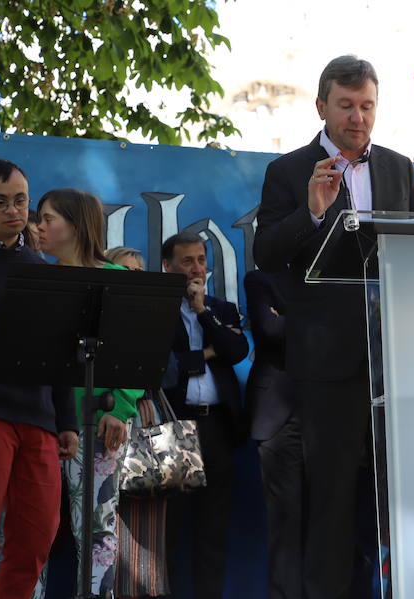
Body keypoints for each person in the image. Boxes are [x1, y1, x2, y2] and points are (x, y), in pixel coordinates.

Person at [253, 54, 414, 598]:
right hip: (327, 367)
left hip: (392, 366)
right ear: (321, 105)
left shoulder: (399, 168)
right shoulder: (288, 171)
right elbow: (265, 253)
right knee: (330, 508)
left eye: (367, 106)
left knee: (391, 508)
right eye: (346, 106)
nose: (358, 117)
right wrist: (311, 213)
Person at [0, 159, 78, 599]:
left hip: (39, 417)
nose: (13, 210)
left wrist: (65, 419)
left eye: (21, 200)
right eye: (0, 201)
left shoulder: (41, 267)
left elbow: (62, 348)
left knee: (36, 537)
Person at [35, 188, 143, 598]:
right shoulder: (37, 277)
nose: (38, 227)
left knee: (98, 531)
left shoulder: (115, 279)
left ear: (76, 225)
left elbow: (137, 350)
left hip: (99, 423)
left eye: (47, 219)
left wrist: (124, 405)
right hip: (42, 422)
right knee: (31, 527)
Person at [161, 231, 248, 599]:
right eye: (187, 261)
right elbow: (165, 368)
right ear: (168, 267)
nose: (197, 269)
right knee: (171, 531)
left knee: (213, 531)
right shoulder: (157, 310)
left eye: (201, 260)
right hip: (175, 426)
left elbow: (237, 350)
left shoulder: (220, 309)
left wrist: (202, 313)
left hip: (216, 427)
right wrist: (206, 355)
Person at [104, 246, 170, 599]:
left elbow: (166, 368)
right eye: (123, 269)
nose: (131, 276)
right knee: (104, 526)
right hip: (103, 424)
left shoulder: (150, 314)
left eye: (137, 271)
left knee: (145, 525)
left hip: (145, 426)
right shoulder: (99, 314)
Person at [244, 268, 301, 599]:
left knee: (329, 523)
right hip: (279, 418)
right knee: (285, 528)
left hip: (327, 414)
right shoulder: (262, 279)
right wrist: (315, 321)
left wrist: (290, 320)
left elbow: (346, 328)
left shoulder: (332, 275)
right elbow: (268, 328)